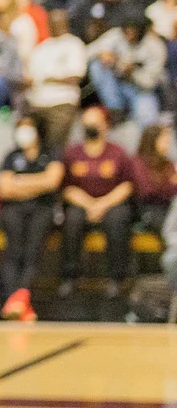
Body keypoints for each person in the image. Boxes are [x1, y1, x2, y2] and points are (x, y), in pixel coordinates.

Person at [57, 105, 136, 298]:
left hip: (111, 203)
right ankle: (70, 277)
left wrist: (102, 204)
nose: (90, 127)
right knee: (72, 219)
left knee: (118, 219)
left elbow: (127, 185)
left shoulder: (118, 153)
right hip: (81, 203)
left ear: (105, 125)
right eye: (87, 123)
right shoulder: (72, 153)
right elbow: (66, 187)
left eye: (95, 123)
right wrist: (89, 204)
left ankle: (117, 279)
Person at [0, 115, 62, 322]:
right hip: (14, 209)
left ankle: (21, 298)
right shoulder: (12, 156)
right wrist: (36, 185)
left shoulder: (50, 154)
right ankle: (12, 300)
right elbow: (4, 189)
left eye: (28, 127)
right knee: (14, 250)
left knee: (33, 250)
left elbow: (52, 181)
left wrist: (20, 182)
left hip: (42, 209)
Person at [25, 9, 88, 154]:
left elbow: (74, 78)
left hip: (62, 103)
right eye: (51, 22)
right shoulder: (41, 48)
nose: (55, 25)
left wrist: (47, 78)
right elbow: (31, 77)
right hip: (37, 102)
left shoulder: (73, 44)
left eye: (58, 21)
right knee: (27, 137)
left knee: (55, 147)